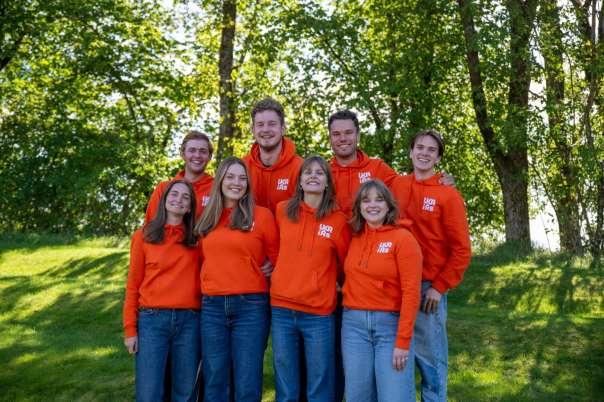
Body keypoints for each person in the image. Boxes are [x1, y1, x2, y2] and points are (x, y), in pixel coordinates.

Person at [392, 129, 471, 402]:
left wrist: (439, 287)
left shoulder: (448, 195)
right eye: (420, 147)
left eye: (431, 150)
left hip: (428, 288)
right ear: (411, 151)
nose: (424, 153)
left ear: (438, 158)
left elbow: (462, 250)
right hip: (395, 284)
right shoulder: (397, 185)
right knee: (398, 359)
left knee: (430, 360)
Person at [195, 156, 279, 402]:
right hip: (212, 306)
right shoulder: (207, 218)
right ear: (220, 180)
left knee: (247, 382)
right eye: (230, 177)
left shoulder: (262, 216)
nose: (236, 182)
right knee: (215, 380)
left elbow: (278, 259)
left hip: (251, 307)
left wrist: (267, 268)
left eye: (242, 178)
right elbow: (200, 260)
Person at [270, 156, 351, 402]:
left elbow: (346, 262)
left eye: (319, 172)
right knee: (286, 387)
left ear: (327, 182)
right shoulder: (282, 210)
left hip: (318, 313)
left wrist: (330, 281)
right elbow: (274, 250)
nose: (313, 176)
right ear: (300, 181)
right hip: (282, 309)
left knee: (319, 385)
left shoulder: (338, 220)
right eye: (308, 172)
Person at [341, 180, 422, 402]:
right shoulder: (354, 238)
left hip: (390, 327)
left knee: (394, 396)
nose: (372, 205)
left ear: (388, 206)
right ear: (359, 207)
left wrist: (403, 342)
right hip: (354, 327)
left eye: (379, 199)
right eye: (366, 200)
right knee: (357, 396)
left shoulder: (403, 239)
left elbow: (411, 293)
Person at [123, 180, 201, 402]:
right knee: (149, 392)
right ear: (164, 200)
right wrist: (130, 329)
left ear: (190, 207)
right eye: (174, 194)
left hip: (189, 322)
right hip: (152, 321)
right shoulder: (143, 236)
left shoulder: (197, 239)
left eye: (185, 197)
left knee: (185, 393)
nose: (179, 199)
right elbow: (133, 285)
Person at [328, 110, 399, 218]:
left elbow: (404, 197)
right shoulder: (323, 174)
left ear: (358, 135)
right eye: (336, 134)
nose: (343, 138)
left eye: (348, 133)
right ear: (330, 138)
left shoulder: (378, 168)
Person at [243, 97, 304, 213]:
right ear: (253, 130)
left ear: (283, 129)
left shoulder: (301, 168)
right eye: (260, 124)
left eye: (272, 124)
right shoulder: (242, 167)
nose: (266, 129)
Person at [146, 130, 214, 221]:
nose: (197, 155)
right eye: (192, 150)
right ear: (182, 154)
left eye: (203, 151)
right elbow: (151, 224)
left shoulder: (217, 188)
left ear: (209, 156)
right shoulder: (163, 189)